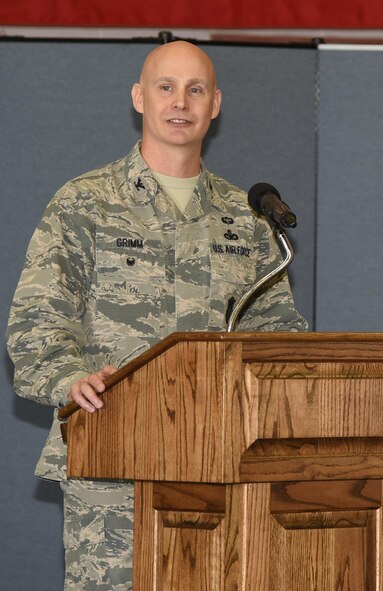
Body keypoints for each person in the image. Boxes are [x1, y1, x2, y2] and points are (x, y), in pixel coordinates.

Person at [6, 40, 307, 590]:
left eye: (196, 89)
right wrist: (68, 379)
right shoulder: (86, 202)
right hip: (113, 457)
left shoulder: (247, 216)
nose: (180, 102)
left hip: (221, 464)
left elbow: (276, 336)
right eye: (166, 87)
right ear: (139, 98)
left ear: (215, 104)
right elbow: (36, 321)